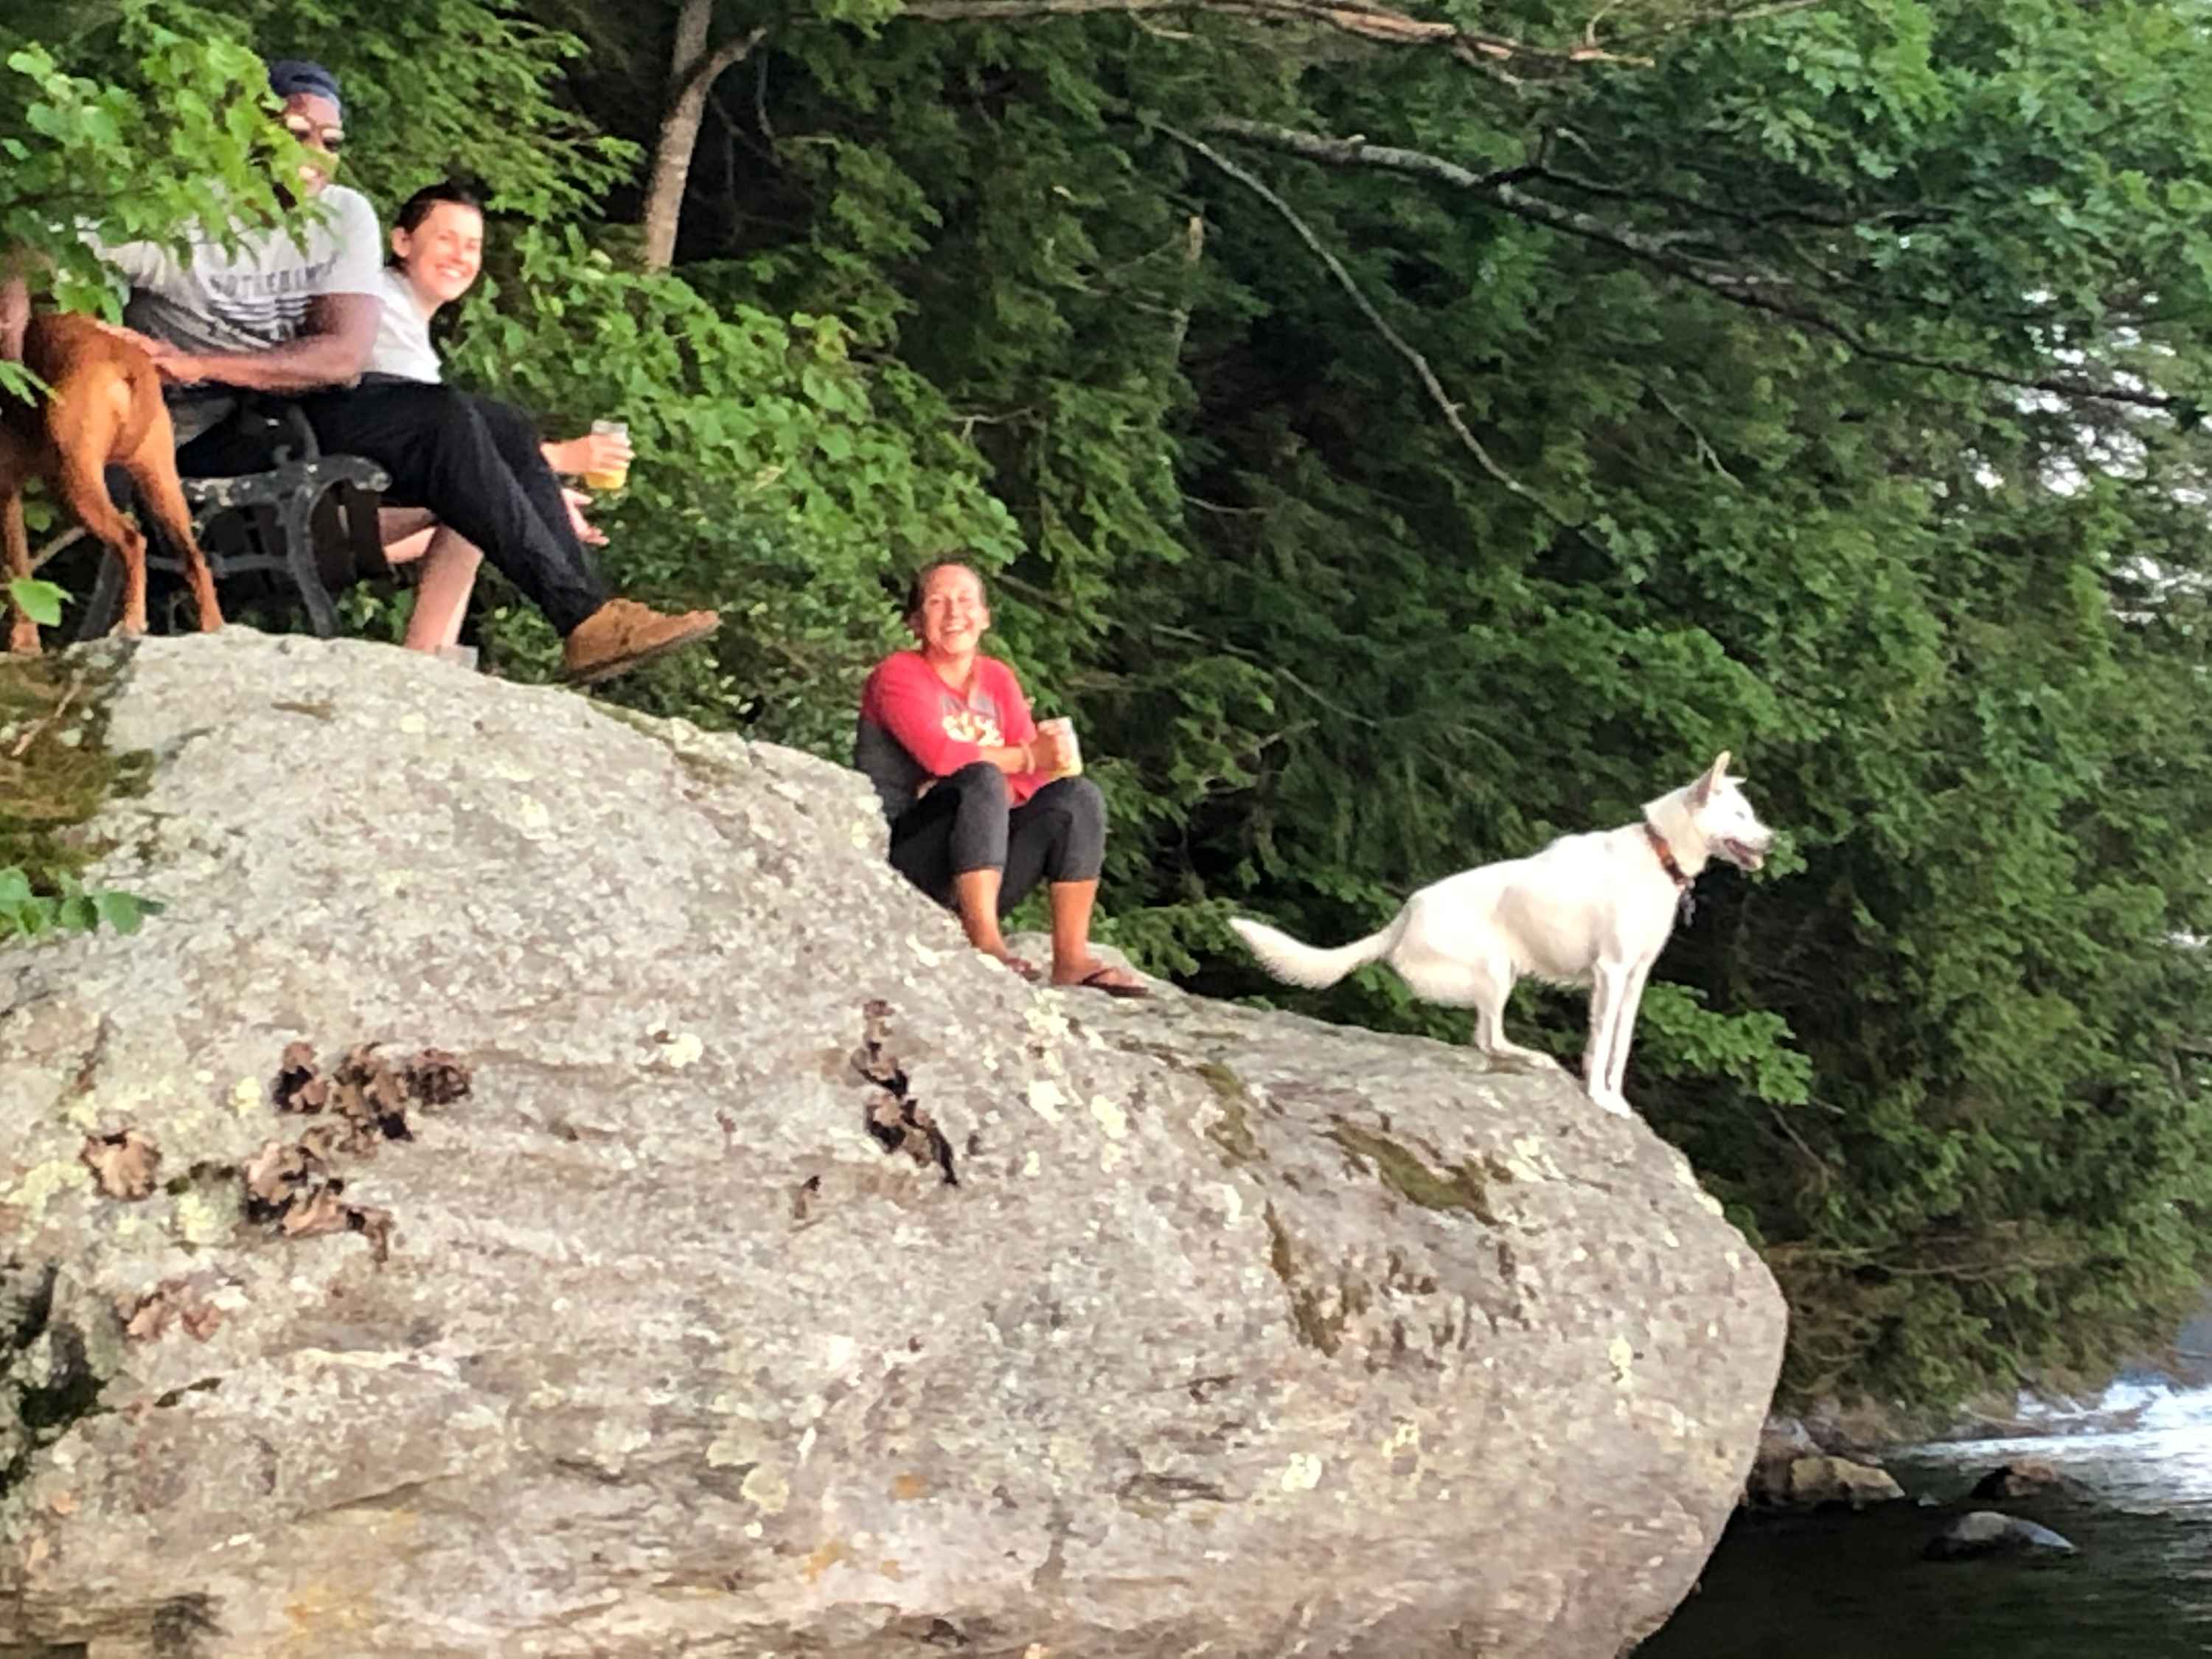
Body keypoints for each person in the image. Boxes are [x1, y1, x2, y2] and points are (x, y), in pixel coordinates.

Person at [4, 58, 715, 683]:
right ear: (249, 133)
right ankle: (583, 618)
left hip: (281, 399)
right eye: (296, 133)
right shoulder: (181, 219)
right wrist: (18, 373)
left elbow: (341, 356)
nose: (317, 153)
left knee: (490, 421)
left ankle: (587, 622)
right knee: (446, 419)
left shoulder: (342, 215)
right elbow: (21, 248)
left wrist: (201, 358)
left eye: (331, 141)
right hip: (182, 431)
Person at [855, 559, 1148, 996]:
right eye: (937, 602)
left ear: (986, 616)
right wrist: (1023, 758)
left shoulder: (997, 679)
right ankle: (986, 944)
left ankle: (1071, 958)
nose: (954, 613)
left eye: (966, 601)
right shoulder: (898, 674)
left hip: (980, 861)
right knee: (981, 780)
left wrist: (1008, 776)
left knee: (1076, 798)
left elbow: (1037, 780)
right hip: (910, 858)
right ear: (916, 622)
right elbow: (942, 755)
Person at [365, 179, 633, 656]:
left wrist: (538, 492)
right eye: (444, 239)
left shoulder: (408, 321)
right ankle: (587, 619)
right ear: (402, 241)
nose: (460, 256)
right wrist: (555, 462)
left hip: (360, 496)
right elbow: (440, 433)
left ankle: (430, 660)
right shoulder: (379, 306)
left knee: (484, 498)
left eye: (473, 246)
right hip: (330, 497)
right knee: (484, 461)